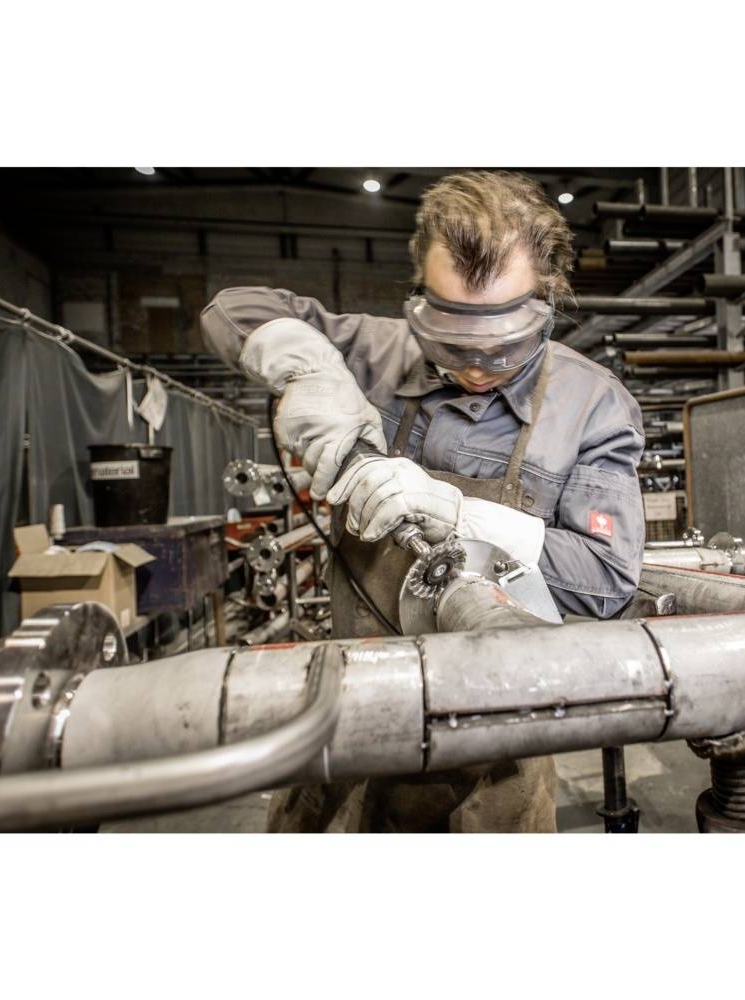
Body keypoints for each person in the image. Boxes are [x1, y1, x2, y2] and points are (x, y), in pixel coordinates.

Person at [201, 170, 646, 832]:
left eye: (503, 342)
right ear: (420, 294)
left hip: (497, 750)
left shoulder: (591, 404)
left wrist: (458, 515)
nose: (475, 365)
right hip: (350, 722)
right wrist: (310, 369)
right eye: (451, 336)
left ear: (548, 297)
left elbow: (606, 577)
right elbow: (231, 308)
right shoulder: (379, 353)